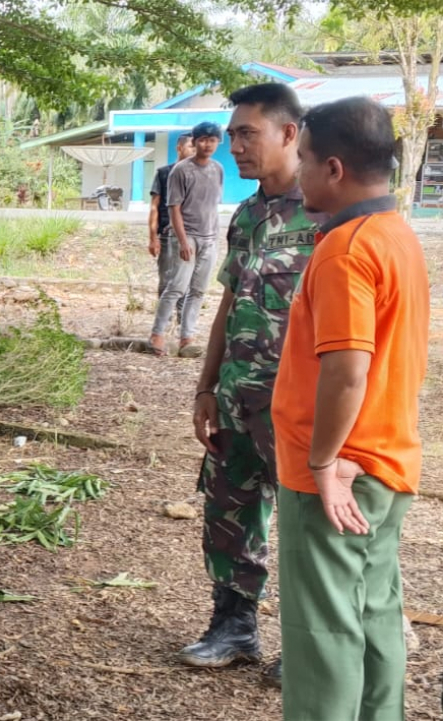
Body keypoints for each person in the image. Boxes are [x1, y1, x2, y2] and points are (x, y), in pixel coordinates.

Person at [273, 96, 427, 720]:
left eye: (304, 159)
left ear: (334, 168)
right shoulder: (397, 236)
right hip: (386, 464)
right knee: (374, 612)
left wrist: (324, 461)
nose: (300, 172)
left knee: (324, 632)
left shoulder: (346, 250)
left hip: (339, 476)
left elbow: (346, 369)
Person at [178, 84, 317, 677]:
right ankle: (234, 627)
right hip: (238, 400)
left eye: (246, 134)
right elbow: (229, 304)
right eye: (231, 135)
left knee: (309, 531)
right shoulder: (249, 212)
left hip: (300, 407)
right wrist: (206, 387)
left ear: (289, 134)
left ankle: (313, 647)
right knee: (229, 515)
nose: (234, 146)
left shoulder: (330, 211)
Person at [150, 121, 224, 356]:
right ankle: (158, 333)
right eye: (202, 140)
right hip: (186, 236)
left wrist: (216, 238)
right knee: (177, 287)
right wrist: (182, 241)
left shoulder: (217, 169)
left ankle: (187, 336)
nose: (207, 144)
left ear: (218, 143)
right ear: (194, 141)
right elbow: (174, 208)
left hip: (209, 237)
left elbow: (212, 206)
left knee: (198, 290)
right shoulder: (180, 170)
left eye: (212, 140)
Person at [149, 133, 194, 323]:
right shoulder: (163, 173)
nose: (195, 151)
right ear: (179, 148)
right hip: (168, 235)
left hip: (191, 235)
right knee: (167, 278)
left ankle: (182, 321)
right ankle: (163, 322)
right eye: (191, 146)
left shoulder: (200, 174)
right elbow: (154, 206)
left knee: (187, 280)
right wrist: (153, 237)